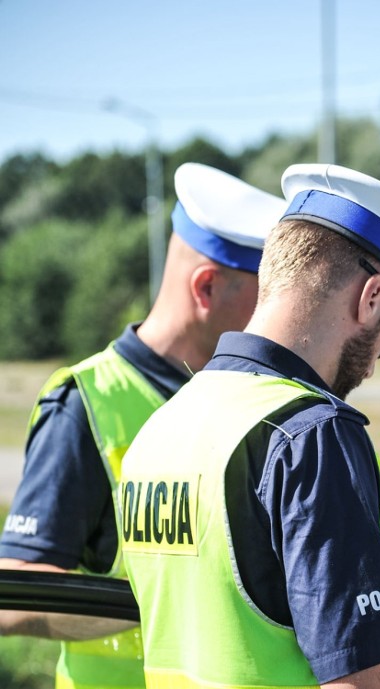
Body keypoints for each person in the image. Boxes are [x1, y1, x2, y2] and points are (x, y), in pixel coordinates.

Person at [121, 163, 380, 689]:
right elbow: (364, 681)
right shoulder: (311, 433)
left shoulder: (167, 420)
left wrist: (353, 523)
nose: (375, 363)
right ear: (372, 297)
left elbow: (241, 566)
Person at [0, 163, 287, 689]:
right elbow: (14, 597)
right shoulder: (86, 402)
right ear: (206, 287)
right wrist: (166, 602)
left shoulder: (248, 400)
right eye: (269, 295)